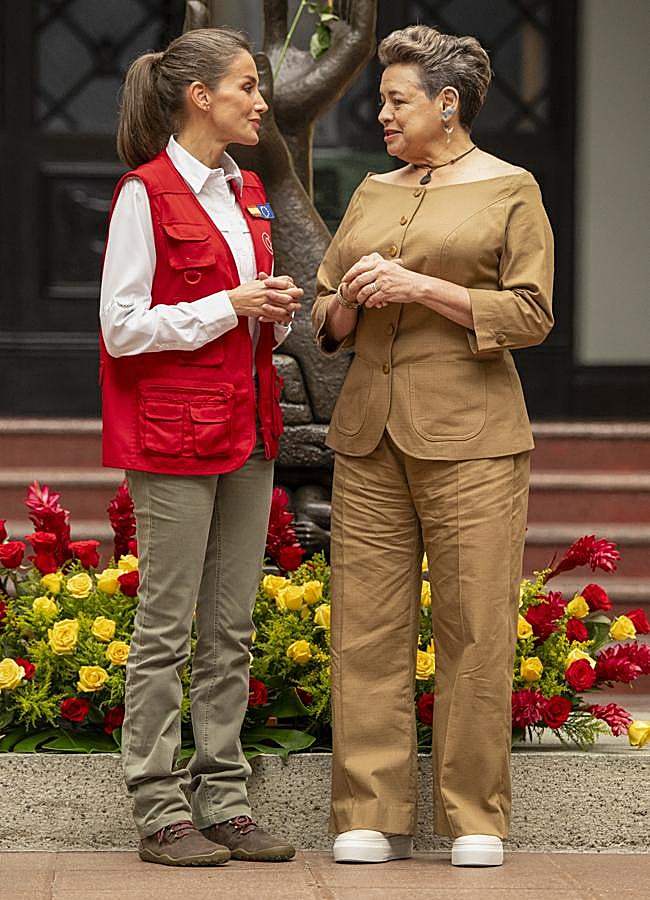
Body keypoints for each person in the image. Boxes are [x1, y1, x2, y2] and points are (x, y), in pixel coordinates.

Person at [313, 25, 554, 868]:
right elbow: (324, 315)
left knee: (474, 628)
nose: (380, 113)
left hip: (475, 439)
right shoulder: (374, 191)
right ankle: (368, 812)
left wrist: (423, 287)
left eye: (397, 100)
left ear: (447, 106)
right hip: (369, 432)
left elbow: (530, 312)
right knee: (366, 627)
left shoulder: (511, 188)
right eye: (382, 99)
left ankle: (473, 818)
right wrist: (344, 299)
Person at [100, 27, 303, 867]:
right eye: (248, 85)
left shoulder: (246, 188)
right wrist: (230, 304)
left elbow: (250, 315)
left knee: (231, 628)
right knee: (165, 628)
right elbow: (120, 329)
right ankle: (157, 807)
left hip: (248, 428)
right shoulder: (143, 195)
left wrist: (275, 308)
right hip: (173, 436)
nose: (260, 101)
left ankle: (223, 796)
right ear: (199, 97)